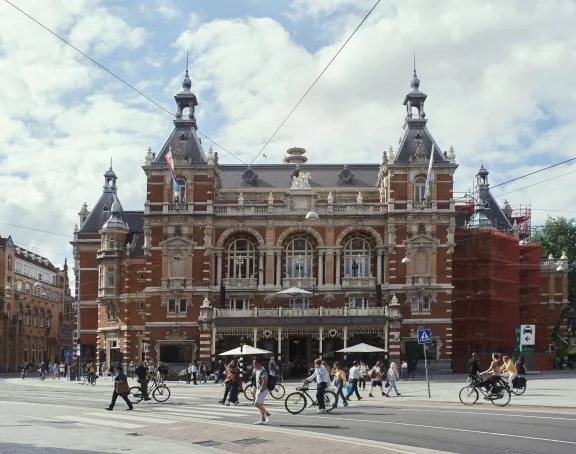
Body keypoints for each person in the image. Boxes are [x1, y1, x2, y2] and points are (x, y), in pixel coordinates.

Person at [252, 358, 272, 425]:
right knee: (260, 405)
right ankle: (262, 419)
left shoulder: (262, 371)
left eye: (254, 363)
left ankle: (268, 414)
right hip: (259, 389)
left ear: (257, 363)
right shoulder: (257, 370)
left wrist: (261, 389)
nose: (253, 364)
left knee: (256, 404)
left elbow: (264, 381)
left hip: (263, 390)